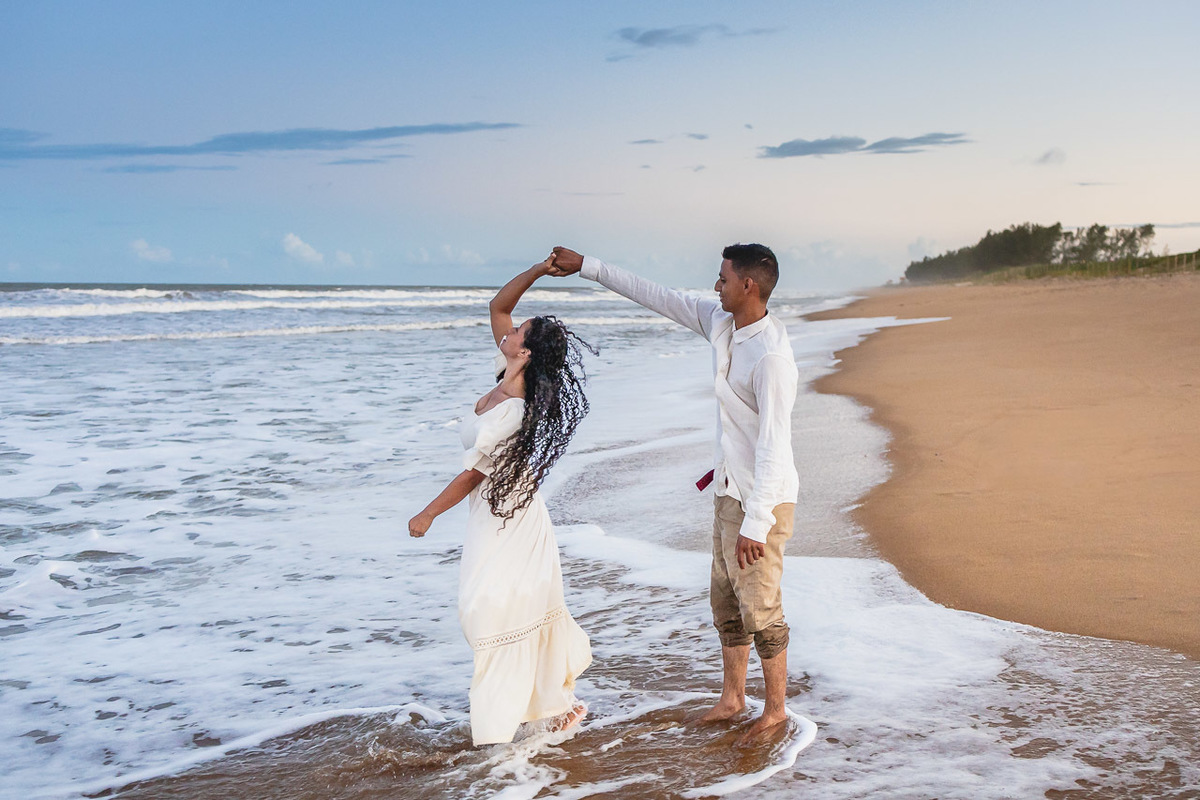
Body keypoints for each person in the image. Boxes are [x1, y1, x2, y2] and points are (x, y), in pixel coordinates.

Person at [548, 244, 799, 746]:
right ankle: (734, 699)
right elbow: (657, 296)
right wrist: (590, 267)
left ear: (748, 285)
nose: (715, 286)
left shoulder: (770, 357)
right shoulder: (723, 323)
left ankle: (776, 711)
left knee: (761, 605)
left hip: (761, 501)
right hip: (729, 490)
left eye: (723, 278)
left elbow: (774, 447)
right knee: (726, 602)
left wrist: (756, 522)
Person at [407, 256, 594, 746]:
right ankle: (547, 709)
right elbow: (498, 306)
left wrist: (428, 513)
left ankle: (511, 728)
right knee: (491, 611)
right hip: (496, 514)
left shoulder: (515, 407)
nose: (509, 332)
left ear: (526, 352)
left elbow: (473, 473)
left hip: (512, 520)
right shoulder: (505, 374)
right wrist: (537, 270)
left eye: (519, 332)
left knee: (486, 610)